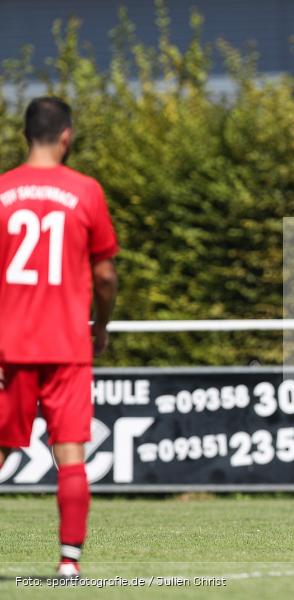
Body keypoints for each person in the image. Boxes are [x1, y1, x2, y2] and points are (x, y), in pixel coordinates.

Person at [0, 97, 119, 578]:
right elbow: (106, 275)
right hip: (68, 346)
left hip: (11, 347)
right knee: (69, 454)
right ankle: (69, 562)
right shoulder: (85, 191)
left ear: (25, 134)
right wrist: (102, 324)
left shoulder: (2, 190)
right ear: (66, 136)